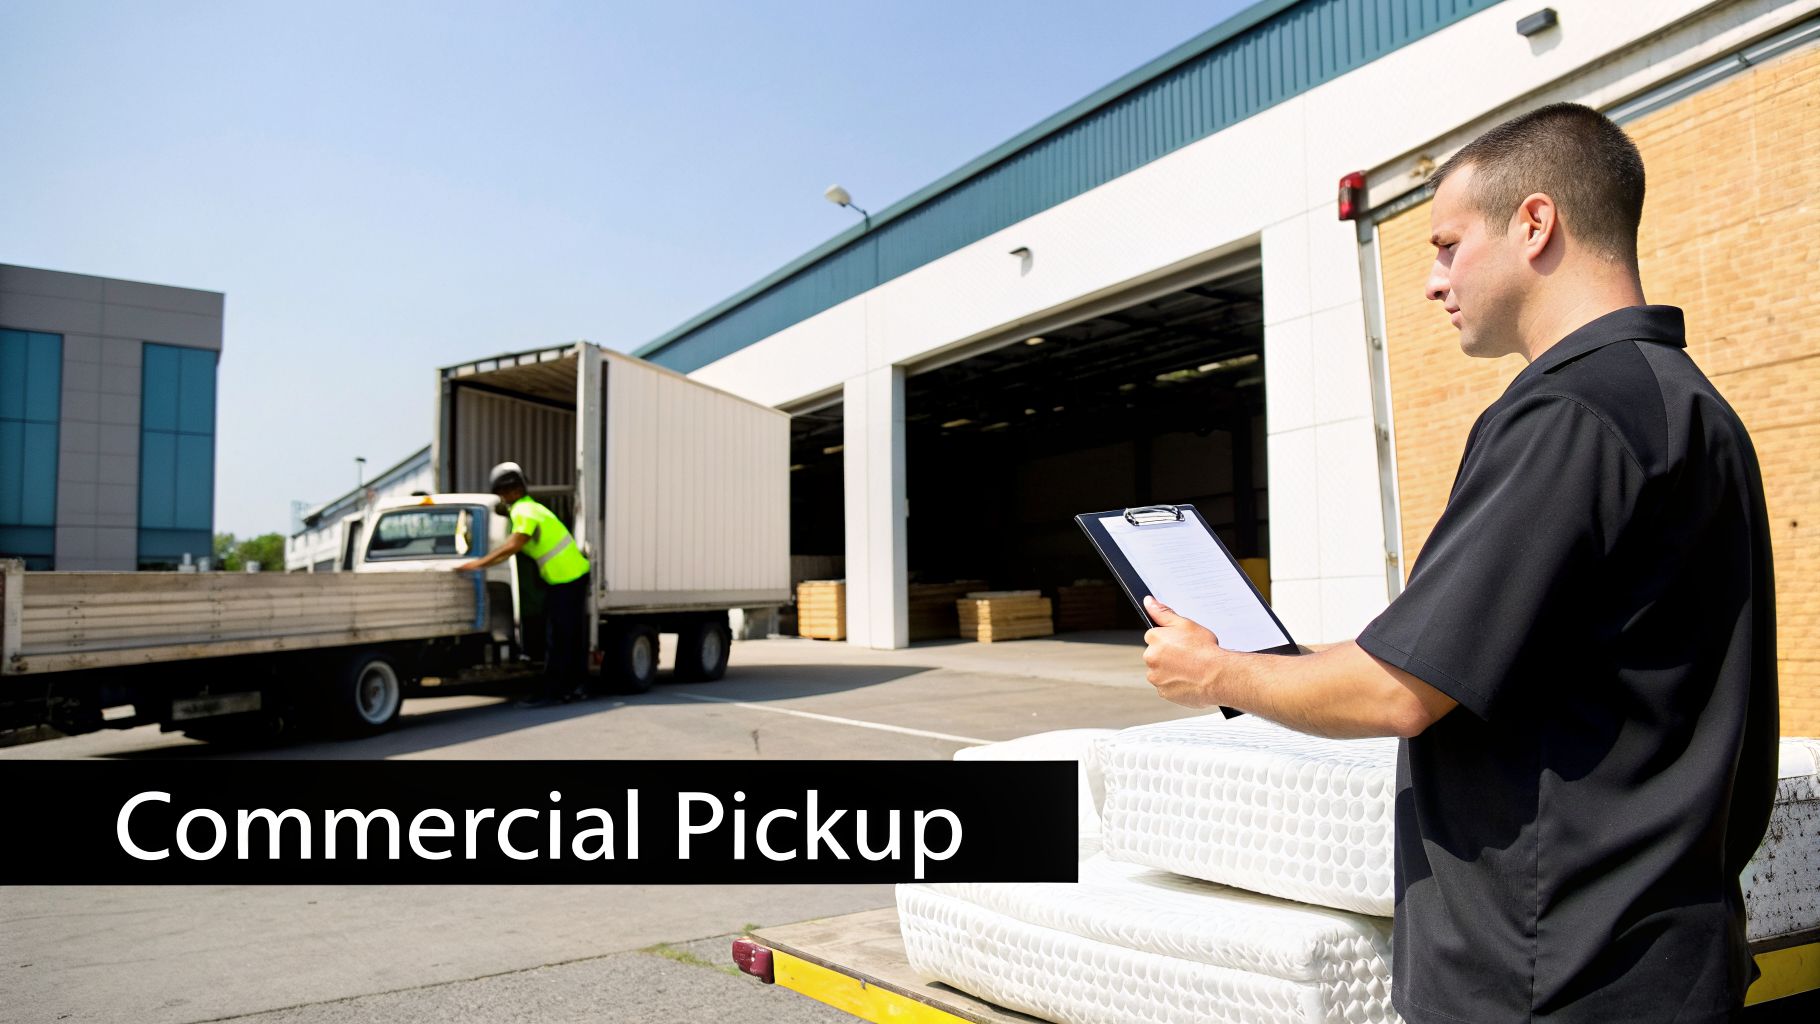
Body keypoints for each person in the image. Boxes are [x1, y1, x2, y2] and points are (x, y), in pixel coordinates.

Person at [1140, 103, 1777, 1023]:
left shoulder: (1567, 415)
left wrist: (1218, 673)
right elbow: (1489, 654)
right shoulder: (1691, 409)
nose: (1435, 282)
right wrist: (1278, 659)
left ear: (1534, 223)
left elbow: (1401, 692)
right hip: (1663, 959)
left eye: (1446, 244)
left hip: (1551, 977)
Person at [456, 462, 593, 708]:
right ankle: (574, 688)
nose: (502, 497)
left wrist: (478, 564)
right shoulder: (532, 507)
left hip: (567, 579)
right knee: (569, 638)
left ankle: (555, 692)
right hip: (568, 578)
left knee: (559, 639)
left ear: (511, 491)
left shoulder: (524, 511)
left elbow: (513, 545)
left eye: (502, 492)